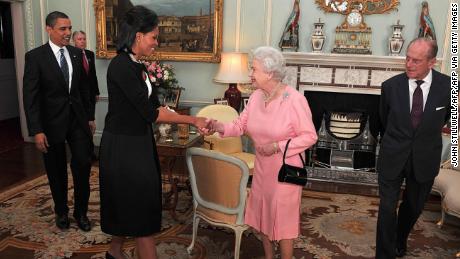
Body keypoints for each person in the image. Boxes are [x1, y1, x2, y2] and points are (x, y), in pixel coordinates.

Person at [98, 6, 210, 259]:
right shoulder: (121, 67)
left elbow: (151, 107)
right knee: (142, 213)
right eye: (153, 37)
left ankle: (114, 252)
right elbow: (151, 114)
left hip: (138, 143)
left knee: (132, 204)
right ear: (138, 36)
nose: (156, 43)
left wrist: (175, 112)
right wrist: (193, 119)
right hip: (124, 148)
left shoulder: (136, 65)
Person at [209, 46, 317, 259]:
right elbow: (240, 125)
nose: (250, 74)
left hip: (285, 170)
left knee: (284, 223)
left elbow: (310, 136)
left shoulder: (294, 100)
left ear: (269, 73)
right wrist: (218, 126)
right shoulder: (257, 96)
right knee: (262, 217)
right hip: (263, 169)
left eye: (254, 69)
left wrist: (277, 146)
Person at [376, 38, 450, 258]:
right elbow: (382, 120)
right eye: (407, 58)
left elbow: (445, 118)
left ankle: (400, 239)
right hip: (393, 155)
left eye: (416, 60)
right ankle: (385, 254)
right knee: (387, 208)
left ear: (432, 62)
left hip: (425, 157)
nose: (409, 64)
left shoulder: (448, 87)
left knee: (414, 207)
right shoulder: (390, 86)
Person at [23, 11, 93, 232]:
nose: (68, 33)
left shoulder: (76, 53)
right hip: (51, 124)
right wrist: (37, 130)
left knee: (82, 163)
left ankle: (81, 212)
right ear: (49, 29)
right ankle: (61, 211)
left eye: (69, 28)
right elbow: (30, 97)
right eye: (63, 29)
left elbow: (84, 89)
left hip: (78, 122)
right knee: (56, 169)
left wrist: (89, 116)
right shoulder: (35, 57)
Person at [72, 30, 100, 159]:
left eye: (84, 39)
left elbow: (93, 75)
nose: (82, 41)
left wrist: (96, 92)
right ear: (73, 41)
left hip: (90, 96)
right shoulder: (71, 55)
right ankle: (85, 152)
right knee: (82, 126)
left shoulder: (89, 54)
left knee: (91, 123)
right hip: (78, 97)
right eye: (79, 39)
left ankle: (90, 150)